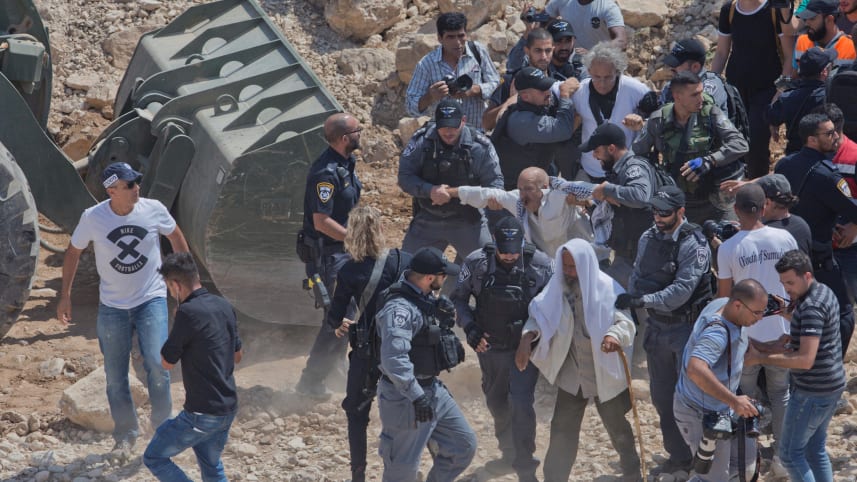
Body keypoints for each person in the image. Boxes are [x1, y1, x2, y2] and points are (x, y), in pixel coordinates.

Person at [57, 162, 189, 452]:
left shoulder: (152, 208)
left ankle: (163, 428)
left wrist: (186, 285)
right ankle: (126, 435)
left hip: (151, 299)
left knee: (157, 363)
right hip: (113, 307)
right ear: (112, 190)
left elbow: (176, 237)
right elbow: (73, 252)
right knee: (116, 376)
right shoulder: (93, 218)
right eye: (129, 185)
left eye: (136, 183)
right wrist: (64, 295)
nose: (136, 188)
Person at [517, 239, 641, 482]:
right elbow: (539, 315)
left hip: (603, 372)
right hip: (573, 374)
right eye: (565, 267)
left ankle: (633, 473)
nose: (569, 273)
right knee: (562, 430)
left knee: (618, 429)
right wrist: (526, 338)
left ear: (585, 265)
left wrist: (613, 335)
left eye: (573, 267)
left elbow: (626, 323)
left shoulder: (608, 289)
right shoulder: (557, 288)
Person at [620, 185, 713, 475]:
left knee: (690, 398)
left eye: (665, 212)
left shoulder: (694, 244)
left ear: (681, 212)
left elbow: (682, 291)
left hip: (685, 328)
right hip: (657, 327)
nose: (658, 217)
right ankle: (679, 455)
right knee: (661, 396)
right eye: (656, 211)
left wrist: (644, 300)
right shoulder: (649, 237)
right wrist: (635, 299)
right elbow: (638, 274)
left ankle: (703, 459)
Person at [451, 217, 552, 481]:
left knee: (521, 403)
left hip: (524, 349)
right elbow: (459, 299)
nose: (509, 256)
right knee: (496, 402)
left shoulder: (539, 264)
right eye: (504, 250)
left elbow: (552, 306)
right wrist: (470, 328)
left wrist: (531, 338)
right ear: (493, 242)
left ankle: (525, 465)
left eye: (514, 250)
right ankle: (508, 454)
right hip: (489, 348)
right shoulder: (476, 262)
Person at [325, 206, 412, 482]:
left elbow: (335, 316)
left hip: (366, 352)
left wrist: (340, 325)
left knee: (357, 413)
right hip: (399, 350)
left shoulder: (349, 270)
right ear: (381, 230)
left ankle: (358, 475)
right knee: (405, 412)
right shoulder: (403, 261)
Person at [375, 247, 476, 481]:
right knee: (402, 469)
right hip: (405, 397)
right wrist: (416, 396)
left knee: (463, 446)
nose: (445, 279)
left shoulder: (423, 298)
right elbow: (393, 359)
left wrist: (442, 317)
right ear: (430, 278)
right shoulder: (399, 309)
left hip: (433, 390)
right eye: (443, 276)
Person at [745, 250, 846, 481]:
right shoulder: (823, 292)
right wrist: (787, 316)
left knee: (790, 455)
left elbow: (805, 360)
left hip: (813, 390)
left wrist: (759, 358)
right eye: (783, 283)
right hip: (831, 385)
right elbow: (814, 334)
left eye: (790, 282)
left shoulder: (810, 307)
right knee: (814, 450)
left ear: (807, 275)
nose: (786, 289)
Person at [715, 184, 797, 460]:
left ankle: (751, 458)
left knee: (745, 396)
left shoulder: (727, 248)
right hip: (782, 334)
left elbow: (724, 299)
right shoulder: (785, 239)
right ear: (765, 207)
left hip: (746, 338)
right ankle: (783, 459)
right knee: (781, 393)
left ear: (736, 210)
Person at [143, 252, 242, 481]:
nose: (169, 292)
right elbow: (237, 355)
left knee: (154, 457)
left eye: (169, 287)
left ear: (176, 285)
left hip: (201, 414)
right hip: (227, 409)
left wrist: (180, 326)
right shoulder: (223, 305)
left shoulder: (186, 313)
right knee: (211, 464)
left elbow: (166, 363)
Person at [775, 112, 856, 356]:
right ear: (812, 139)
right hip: (818, 257)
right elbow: (852, 208)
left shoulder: (784, 164)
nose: (836, 137)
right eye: (829, 133)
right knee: (843, 313)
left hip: (786, 253)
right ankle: (831, 360)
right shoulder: (827, 176)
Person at [295, 112, 364, 399]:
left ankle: (332, 374)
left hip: (343, 253)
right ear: (345, 138)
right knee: (340, 320)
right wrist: (357, 239)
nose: (361, 133)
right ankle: (310, 382)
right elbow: (322, 221)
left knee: (345, 318)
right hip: (329, 257)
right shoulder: (326, 173)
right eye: (357, 130)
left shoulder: (346, 164)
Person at [672, 279, 768, 482]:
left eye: (763, 311)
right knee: (713, 478)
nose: (760, 318)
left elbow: (742, 337)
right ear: (737, 305)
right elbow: (696, 369)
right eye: (757, 313)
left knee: (742, 466)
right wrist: (734, 401)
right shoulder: (717, 333)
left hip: (721, 408)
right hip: (699, 412)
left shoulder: (725, 303)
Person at [631, 71, 748, 224]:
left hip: (715, 198)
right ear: (677, 96)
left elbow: (740, 144)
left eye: (701, 92)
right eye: (694, 95)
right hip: (679, 201)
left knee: (727, 238)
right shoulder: (658, 120)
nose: (700, 99)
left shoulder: (711, 113)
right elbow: (637, 154)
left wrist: (710, 160)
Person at [399, 100, 504, 266]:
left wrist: (489, 199)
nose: (448, 132)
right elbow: (405, 176)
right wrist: (430, 190)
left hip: (468, 221)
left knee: (485, 270)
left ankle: (454, 289)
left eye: (453, 126)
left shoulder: (480, 146)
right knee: (406, 270)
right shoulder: (421, 141)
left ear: (463, 120)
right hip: (428, 219)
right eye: (443, 127)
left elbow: (495, 183)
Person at [711, 0, 797, 179]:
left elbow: (790, 57)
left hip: (767, 89)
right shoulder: (730, 10)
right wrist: (711, 83)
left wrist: (780, 93)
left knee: (756, 143)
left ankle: (757, 193)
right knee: (732, 141)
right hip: (735, 90)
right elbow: (721, 53)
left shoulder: (774, 9)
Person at [447, 166, 598, 258]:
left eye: (529, 189)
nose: (523, 195)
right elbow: (485, 194)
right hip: (552, 264)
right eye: (520, 189)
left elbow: (597, 191)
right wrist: (449, 192)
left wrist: (584, 202)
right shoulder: (519, 201)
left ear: (544, 187)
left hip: (585, 256)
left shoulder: (561, 195)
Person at [581, 122, 658, 285]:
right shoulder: (617, 171)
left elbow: (640, 196)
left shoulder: (634, 167)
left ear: (611, 149)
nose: (595, 156)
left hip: (644, 255)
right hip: (628, 252)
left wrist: (608, 189)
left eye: (597, 151)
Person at [405, 12, 500, 130]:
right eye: (450, 37)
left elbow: (495, 83)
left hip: (476, 132)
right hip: (445, 137)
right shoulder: (427, 64)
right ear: (440, 38)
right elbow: (410, 107)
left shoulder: (477, 51)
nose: (458, 42)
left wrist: (475, 90)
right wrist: (430, 96)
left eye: (461, 36)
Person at [490, 67, 578, 190]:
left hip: (533, 183)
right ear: (525, 96)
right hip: (518, 191)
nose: (548, 92)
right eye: (542, 90)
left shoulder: (533, 104)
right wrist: (565, 95)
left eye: (548, 87)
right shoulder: (522, 121)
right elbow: (563, 130)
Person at [572, 42, 650, 182]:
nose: (602, 84)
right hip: (591, 169)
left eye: (608, 77)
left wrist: (642, 124)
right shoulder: (579, 92)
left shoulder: (636, 90)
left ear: (618, 71)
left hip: (627, 170)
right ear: (588, 71)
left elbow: (659, 119)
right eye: (596, 77)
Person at [768, 47, 834, 154]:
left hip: (795, 154)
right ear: (824, 72)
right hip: (825, 155)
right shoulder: (830, 96)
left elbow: (770, 115)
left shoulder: (787, 98)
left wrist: (773, 124)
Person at [660, 38, 728, 114]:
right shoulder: (670, 86)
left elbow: (700, 116)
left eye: (676, 65)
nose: (671, 68)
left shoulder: (710, 86)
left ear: (695, 67)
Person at [793, 0, 857, 70]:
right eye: (806, 19)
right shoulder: (802, 41)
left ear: (829, 19)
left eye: (812, 19)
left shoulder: (851, 47)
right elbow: (795, 76)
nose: (807, 23)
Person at [543, 0, 627, 52]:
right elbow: (541, 20)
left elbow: (621, 41)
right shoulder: (562, 2)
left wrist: (593, 53)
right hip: (569, 63)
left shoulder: (608, 7)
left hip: (600, 66)